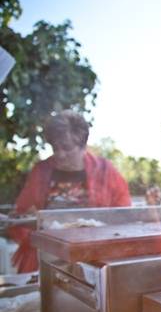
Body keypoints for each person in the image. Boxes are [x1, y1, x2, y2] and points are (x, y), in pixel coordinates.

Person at [8, 110, 131, 273]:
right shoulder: (41, 171)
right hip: (45, 258)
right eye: (54, 147)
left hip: (92, 258)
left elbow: (123, 216)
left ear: (83, 146)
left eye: (66, 147)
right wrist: (29, 225)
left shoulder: (105, 171)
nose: (59, 154)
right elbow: (20, 214)